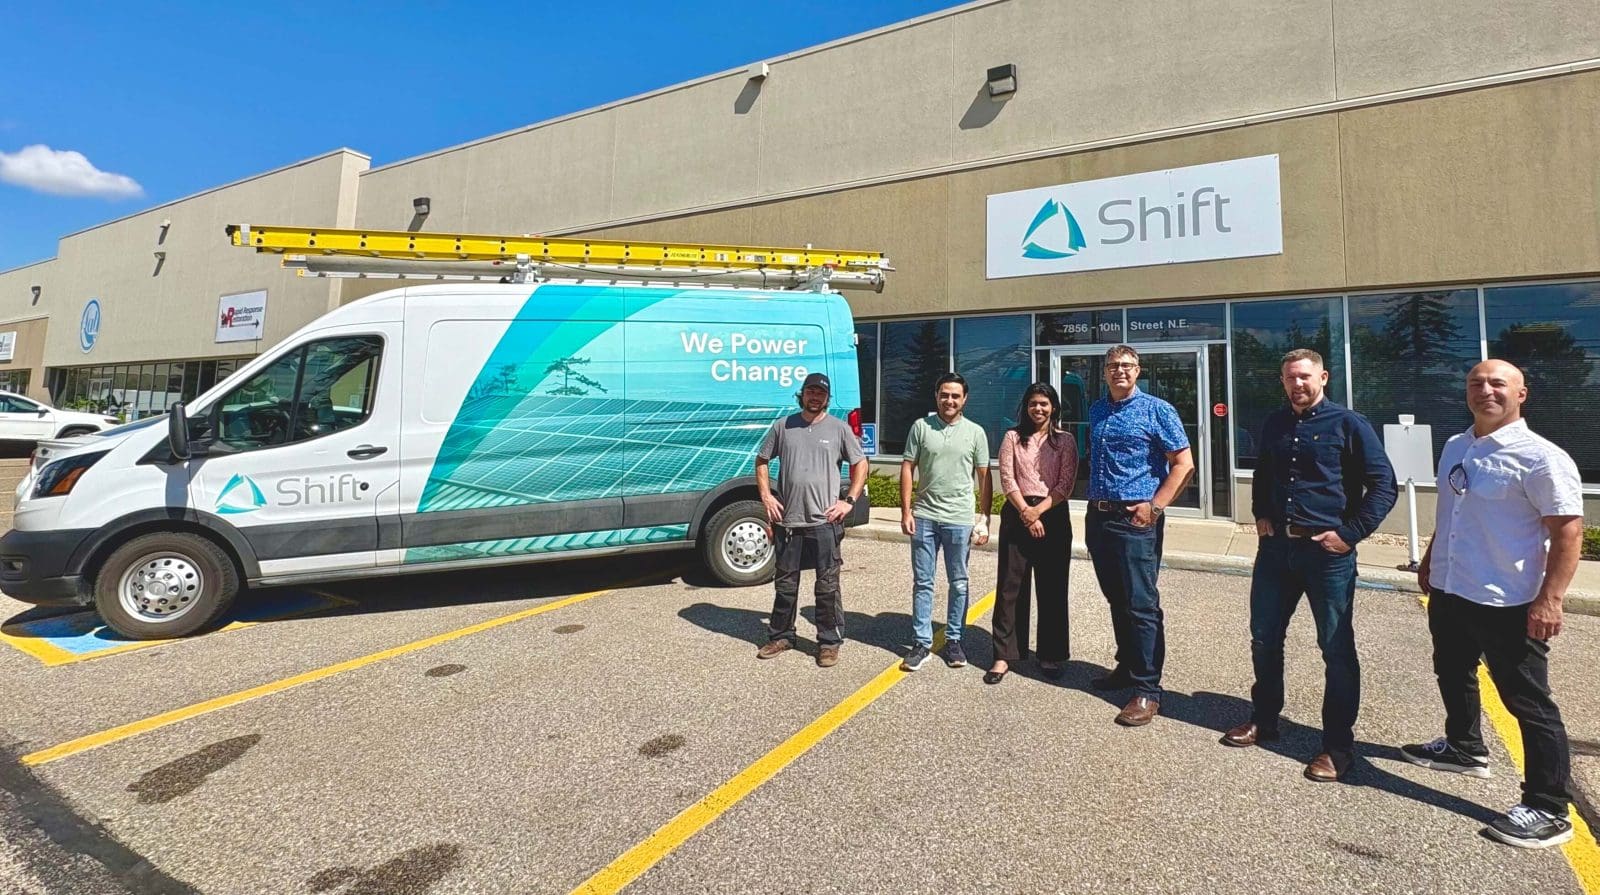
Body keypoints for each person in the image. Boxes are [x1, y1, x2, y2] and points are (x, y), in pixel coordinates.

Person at [1401, 359, 1583, 848]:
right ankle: (1464, 749)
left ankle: (1548, 806)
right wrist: (1432, 557)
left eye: (1498, 384)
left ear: (1521, 395)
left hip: (1507, 600)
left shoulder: (1541, 457)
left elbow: (1568, 534)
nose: (1486, 391)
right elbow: (1453, 507)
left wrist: (1551, 599)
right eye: (1476, 383)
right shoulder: (1458, 446)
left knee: (1528, 702)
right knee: (1452, 670)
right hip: (1452, 588)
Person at [1221, 349, 1397, 783]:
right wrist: (1260, 510)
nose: (1297, 384)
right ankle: (1265, 719)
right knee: (1264, 637)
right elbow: (1263, 472)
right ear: (1282, 382)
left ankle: (1337, 746)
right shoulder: (1276, 423)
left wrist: (1350, 533)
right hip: (1276, 551)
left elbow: (1383, 485)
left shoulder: (1348, 424)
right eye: (1289, 378)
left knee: (1335, 649)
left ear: (1323, 377)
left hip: (1327, 555)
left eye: (1304, 377)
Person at [1084, 345, 1194, 726]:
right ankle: (1127, 667)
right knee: (1117, 597)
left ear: (1138, 370)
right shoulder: (1098, 410)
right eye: (1113, 366)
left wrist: (1155, 506)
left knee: (1141, 603)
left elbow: (1183, 463)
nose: (1120, 371)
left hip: (1136, 519)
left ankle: (1148, 689)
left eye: (1127, 366)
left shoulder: (1157, 410)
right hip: (1099, 518)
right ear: (1105, 372)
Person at [755, 372, 869, 668]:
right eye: (810, 392)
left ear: (827, 398)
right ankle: (781, 635)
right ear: (802, 394)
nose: (815, 397)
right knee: (785, 584)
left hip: (825, 523)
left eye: (820, 393)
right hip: (789, 522)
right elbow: (762, 461)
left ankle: (829, 642)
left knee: (827, 585)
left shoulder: (839, 429)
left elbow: (861, 464)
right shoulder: (783, 426)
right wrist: (767, 497)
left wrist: (849, 501)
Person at [986, 382, 1077, 685]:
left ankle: (1051, 654)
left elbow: (1066, 484)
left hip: (1053, 514)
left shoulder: (1065, 441)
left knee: (1052, 587)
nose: (1038, 409)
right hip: (1017, 512)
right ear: (1025, 407)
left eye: (1044, 404)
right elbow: (1008, 478)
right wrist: (1026, 511)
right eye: (1033, 403)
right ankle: (1003, 655)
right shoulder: (1013, 437)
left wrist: (1039, 512)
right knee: (1011, 587)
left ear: (1054, 408)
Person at [899, 373, 992, 671]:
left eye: (955, 395)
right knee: (923, 582)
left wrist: (984, 518)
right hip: (924, 517)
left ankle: (954, 640)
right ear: (936, 396)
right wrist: (905, 511)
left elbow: (984, 477)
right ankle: (922, 643)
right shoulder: (920, 427)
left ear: (964, 399)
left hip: (959, 519)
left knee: (959, 582)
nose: (949, 400)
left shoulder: (976, 432)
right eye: (944, 395)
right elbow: (907, 468)